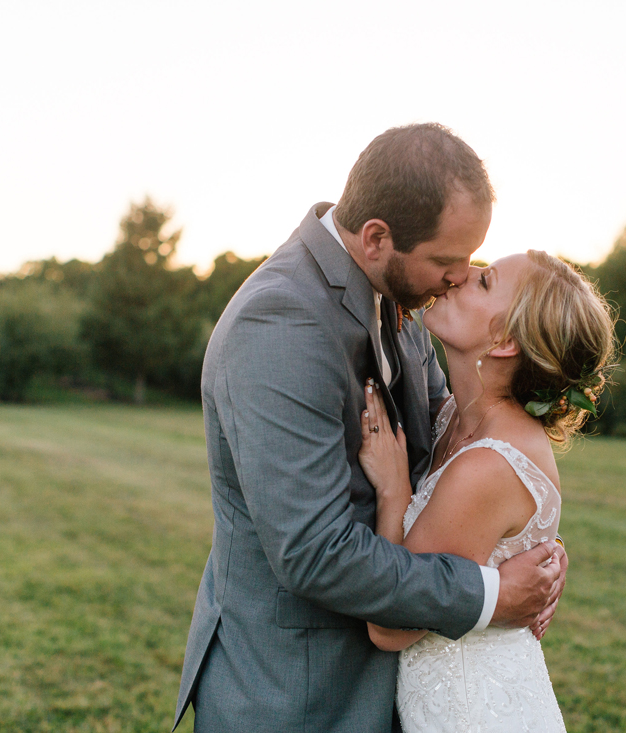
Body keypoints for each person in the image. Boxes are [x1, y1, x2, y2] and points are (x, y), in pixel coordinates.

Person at [173, 124, 568, 733]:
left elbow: (452, 452)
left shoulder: (405, 301)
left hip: (396, 685)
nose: (459, 276)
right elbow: (315, 551)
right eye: (447, 260)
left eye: (472, 262)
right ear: (377, 237)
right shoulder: (281, 323)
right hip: (298, 693)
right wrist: (491, 593)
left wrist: (524, 544)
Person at [357, 250, 618, 732]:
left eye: (484, 281)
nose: (461, 275)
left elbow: (389, 626)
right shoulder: (454, 417)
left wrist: (394, 490)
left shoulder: (488, 465)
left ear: (505, 342)